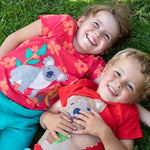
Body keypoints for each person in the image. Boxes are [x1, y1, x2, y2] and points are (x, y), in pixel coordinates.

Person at [0, 3, 133, 150]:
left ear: (105, 50)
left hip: (26, 120)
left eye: (106, 36)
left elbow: (121, 87)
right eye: (96, 24)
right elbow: (16, 37)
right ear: (81, 21)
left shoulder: (93, 64)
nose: (98, 34)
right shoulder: (63, 24)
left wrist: (147, 117)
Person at [31, 48, 150, 150]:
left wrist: (104, 132)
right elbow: (45, 115)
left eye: (129, 86)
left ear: (136, 99)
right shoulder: (80, 87)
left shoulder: (128, 114)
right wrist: (48, 119)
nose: (119, 83)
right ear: (105, 69)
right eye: (118, 74)